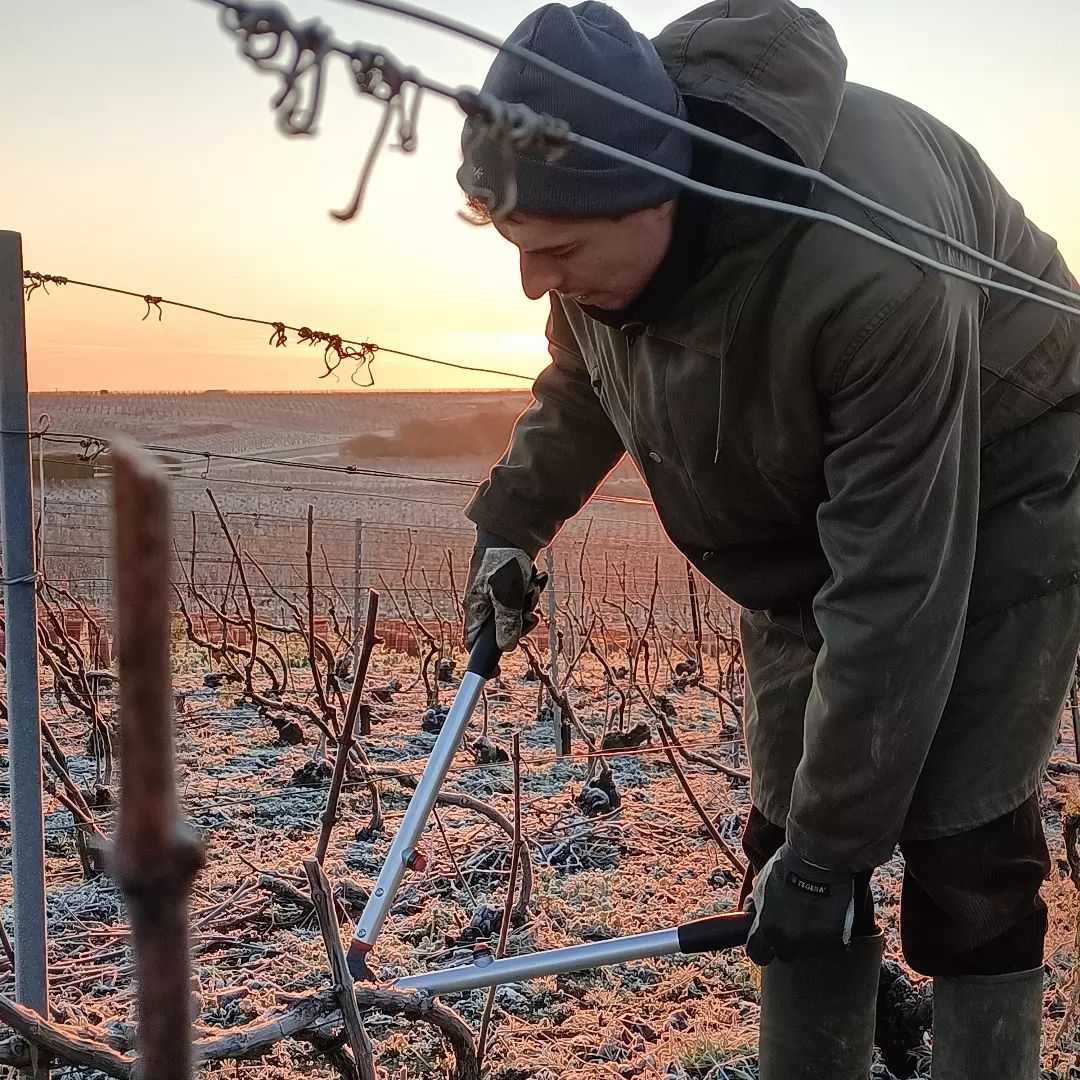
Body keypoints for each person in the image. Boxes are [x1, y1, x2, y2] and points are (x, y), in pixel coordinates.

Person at [458, 2, 1080, 1077]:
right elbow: (584, 381)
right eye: (518, 248)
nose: (532, 281)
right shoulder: (604, 243)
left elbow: (894, 591)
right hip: (806, 500)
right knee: (787, 837)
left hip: (1005, 470)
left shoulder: (875, 273)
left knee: (965, 845)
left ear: (656, 191)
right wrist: (510, 525)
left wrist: (836, 855)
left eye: (553, 250)